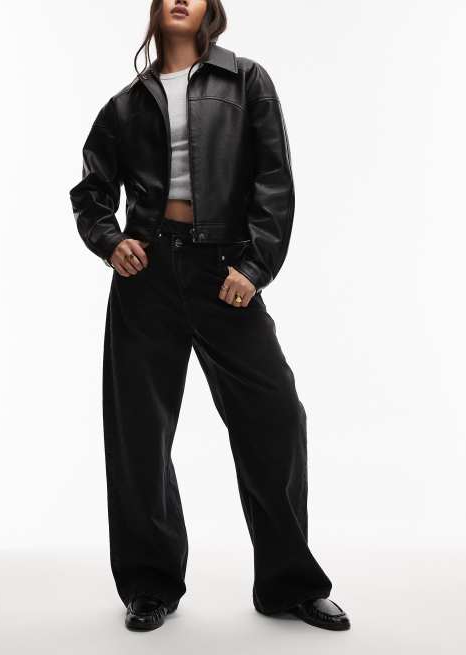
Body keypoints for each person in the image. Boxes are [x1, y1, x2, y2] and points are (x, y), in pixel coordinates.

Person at [69, 0, 350, 633]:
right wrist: (112, 242)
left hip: (224, 274)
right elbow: (90, 192)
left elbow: (274, 180)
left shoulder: (247, 81)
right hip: (146, 276)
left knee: (276, 416)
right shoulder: (125, 105)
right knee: (139, 433)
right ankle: (150, 584)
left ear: (209, 9)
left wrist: (254, 268)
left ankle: (289, 584)